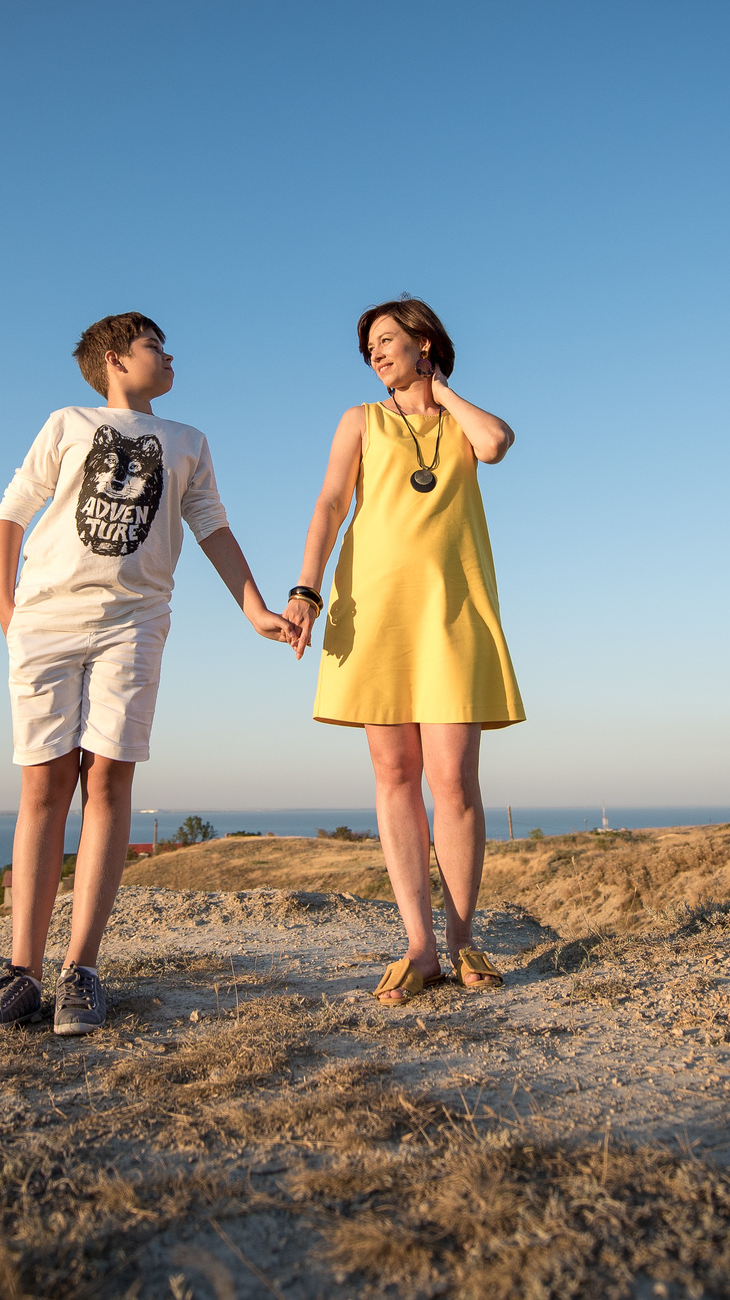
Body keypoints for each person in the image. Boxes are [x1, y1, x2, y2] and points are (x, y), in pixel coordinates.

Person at [0, 311, 293, 1036]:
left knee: (110, 778)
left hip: (136, 622)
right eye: (155, 346)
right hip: (46, 618)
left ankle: (80, 971)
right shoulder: (68, 423)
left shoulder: (188, 441)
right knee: (44, 784)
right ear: (115, 358)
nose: (170, 357)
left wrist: (255, 610)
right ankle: (21, 974)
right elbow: (11, 511)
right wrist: (5, 603)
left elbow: (212, 526)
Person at [281, 297, 523, 1004]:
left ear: (424, 342)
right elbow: (331, 504)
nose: (376, 354)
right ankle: (420, 946)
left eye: (388, 340)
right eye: (370, 349)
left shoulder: (459, 422)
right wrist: (306, 590)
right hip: (375, 608)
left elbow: (496, 442)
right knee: (394, 773)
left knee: (454, 779)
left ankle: (463, 936)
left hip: (452, 612)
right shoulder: (360, 419)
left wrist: (440, 390)